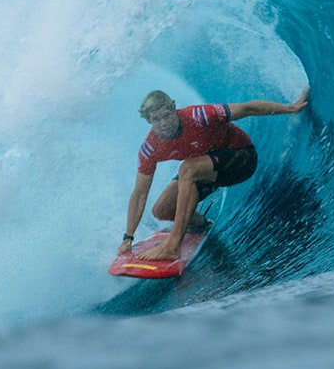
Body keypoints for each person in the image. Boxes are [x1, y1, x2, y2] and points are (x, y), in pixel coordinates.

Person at [118, 88, 309, 261]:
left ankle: (172, 246)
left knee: (187, 169)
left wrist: (290, 108)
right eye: (156, 119)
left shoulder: (199, 116)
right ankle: (203, 225)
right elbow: (140, 194)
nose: (163, 123)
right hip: (207, 170)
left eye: (167, 115)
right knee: (162, 210)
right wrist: (128, 238)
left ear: (174, 109)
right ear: (149, 121)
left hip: (241, 158)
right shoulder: (150, 148)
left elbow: (247, 108)